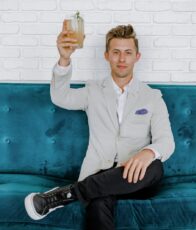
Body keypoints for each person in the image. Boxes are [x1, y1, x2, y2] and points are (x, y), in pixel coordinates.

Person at [24, 23, 175, 230]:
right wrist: (65, 59)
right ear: (107, 56)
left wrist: (147, 153)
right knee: (98, 200)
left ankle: (64, 195)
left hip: (137, 178)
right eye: (116, 52)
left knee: (155, 166)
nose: (122, 59)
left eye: (128, 52)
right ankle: (79, 191)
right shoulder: (92, 91)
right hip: (98, 174)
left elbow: (166, 142)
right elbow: (60, 97)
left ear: (136, 57)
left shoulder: (153, 97)